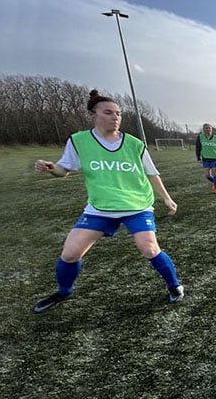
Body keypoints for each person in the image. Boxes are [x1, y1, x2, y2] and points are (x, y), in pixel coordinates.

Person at [32, 90, 183, 314]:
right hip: (100, 207)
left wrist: (167, 199)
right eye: (109, 112)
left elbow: (152, 173)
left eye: (119, 113)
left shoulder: (134, 144)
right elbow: (65, 169)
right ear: (93, 115)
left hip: (137, 205)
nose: (115, 117)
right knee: (70, 253)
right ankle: (64, 291)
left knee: (149, 248)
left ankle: (174, 285)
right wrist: (52, 168)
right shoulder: (79, 141)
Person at [195, 123, 216, 194]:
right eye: (206, 128)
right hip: (205, 158)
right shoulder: (200, 137)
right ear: (203, 129)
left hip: (215, 158)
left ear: (211, 129)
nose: (207, 129)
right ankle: (214, 182)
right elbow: (198, 148)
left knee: (215, 173)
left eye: (209, 128)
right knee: (207, 175)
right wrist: (198, 157)